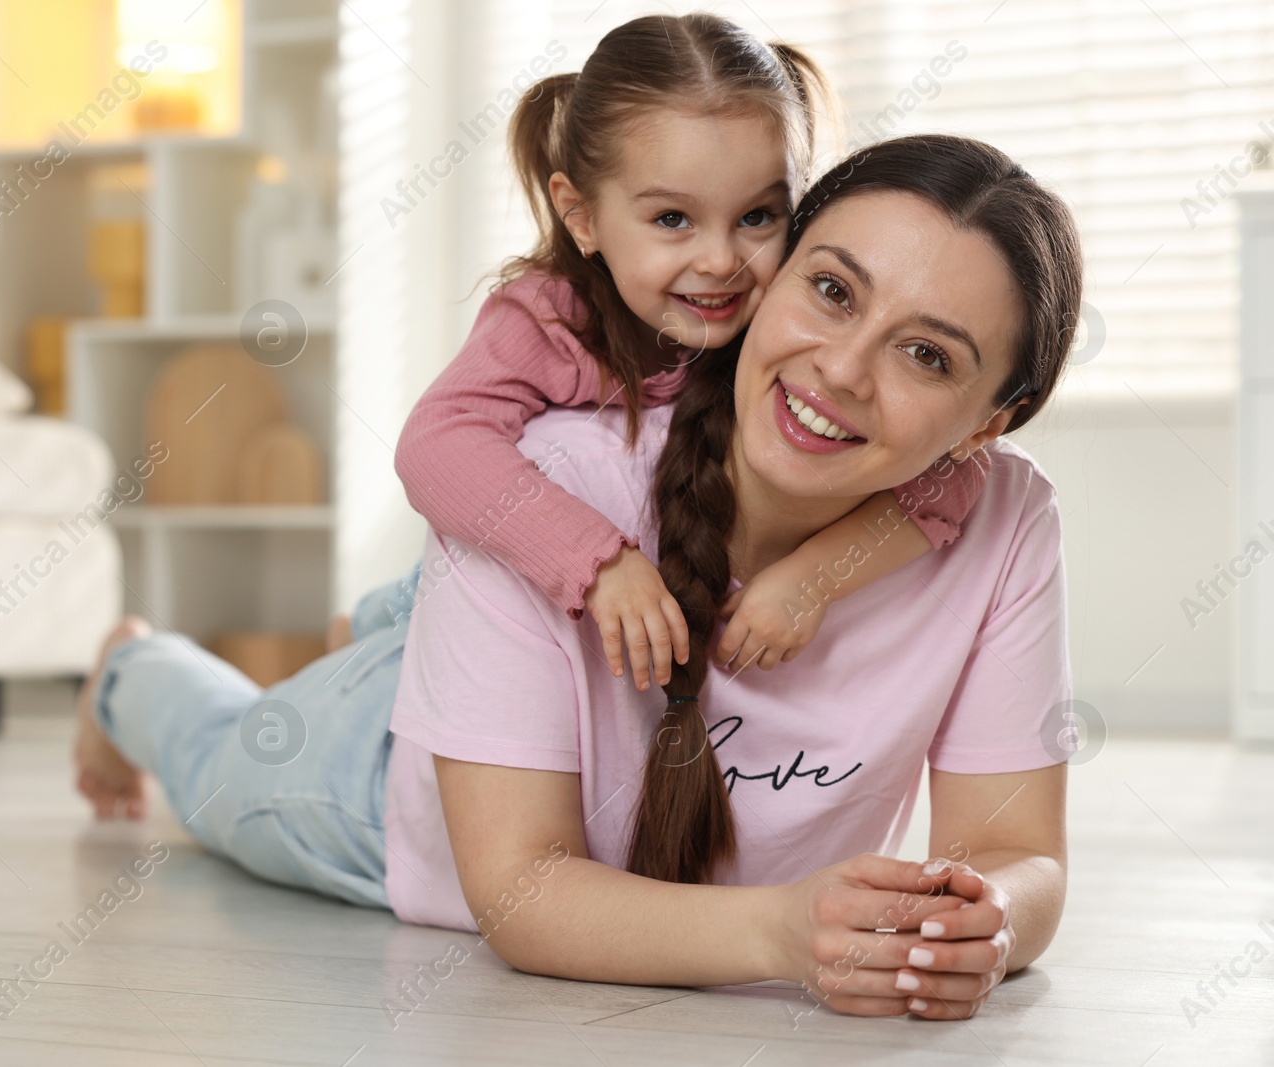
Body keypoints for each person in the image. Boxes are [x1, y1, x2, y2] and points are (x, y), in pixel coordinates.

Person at [72, 127, 1083, 1023]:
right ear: (767, 276)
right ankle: (131, 666)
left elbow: (1019, 854)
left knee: (436, 633)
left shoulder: (1006, 518)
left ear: (989, 421)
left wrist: (983, 924)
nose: (842, 368)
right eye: (829, 289)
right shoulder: (553, 472)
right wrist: (780, 934)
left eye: (926, 356)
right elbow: (517, 892)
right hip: (379, 785)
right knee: (212, 758)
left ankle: (391, 624)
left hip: (507, 670)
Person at [394, 12, 991, 693]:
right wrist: (598, 562)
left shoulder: (794, 313)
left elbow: (958, 470)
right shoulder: (548, 316)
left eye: (758, 216)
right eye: (673, 219)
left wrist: (815, 576)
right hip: (466, 604)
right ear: (581, 215)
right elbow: (433, 443)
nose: (720, 261)